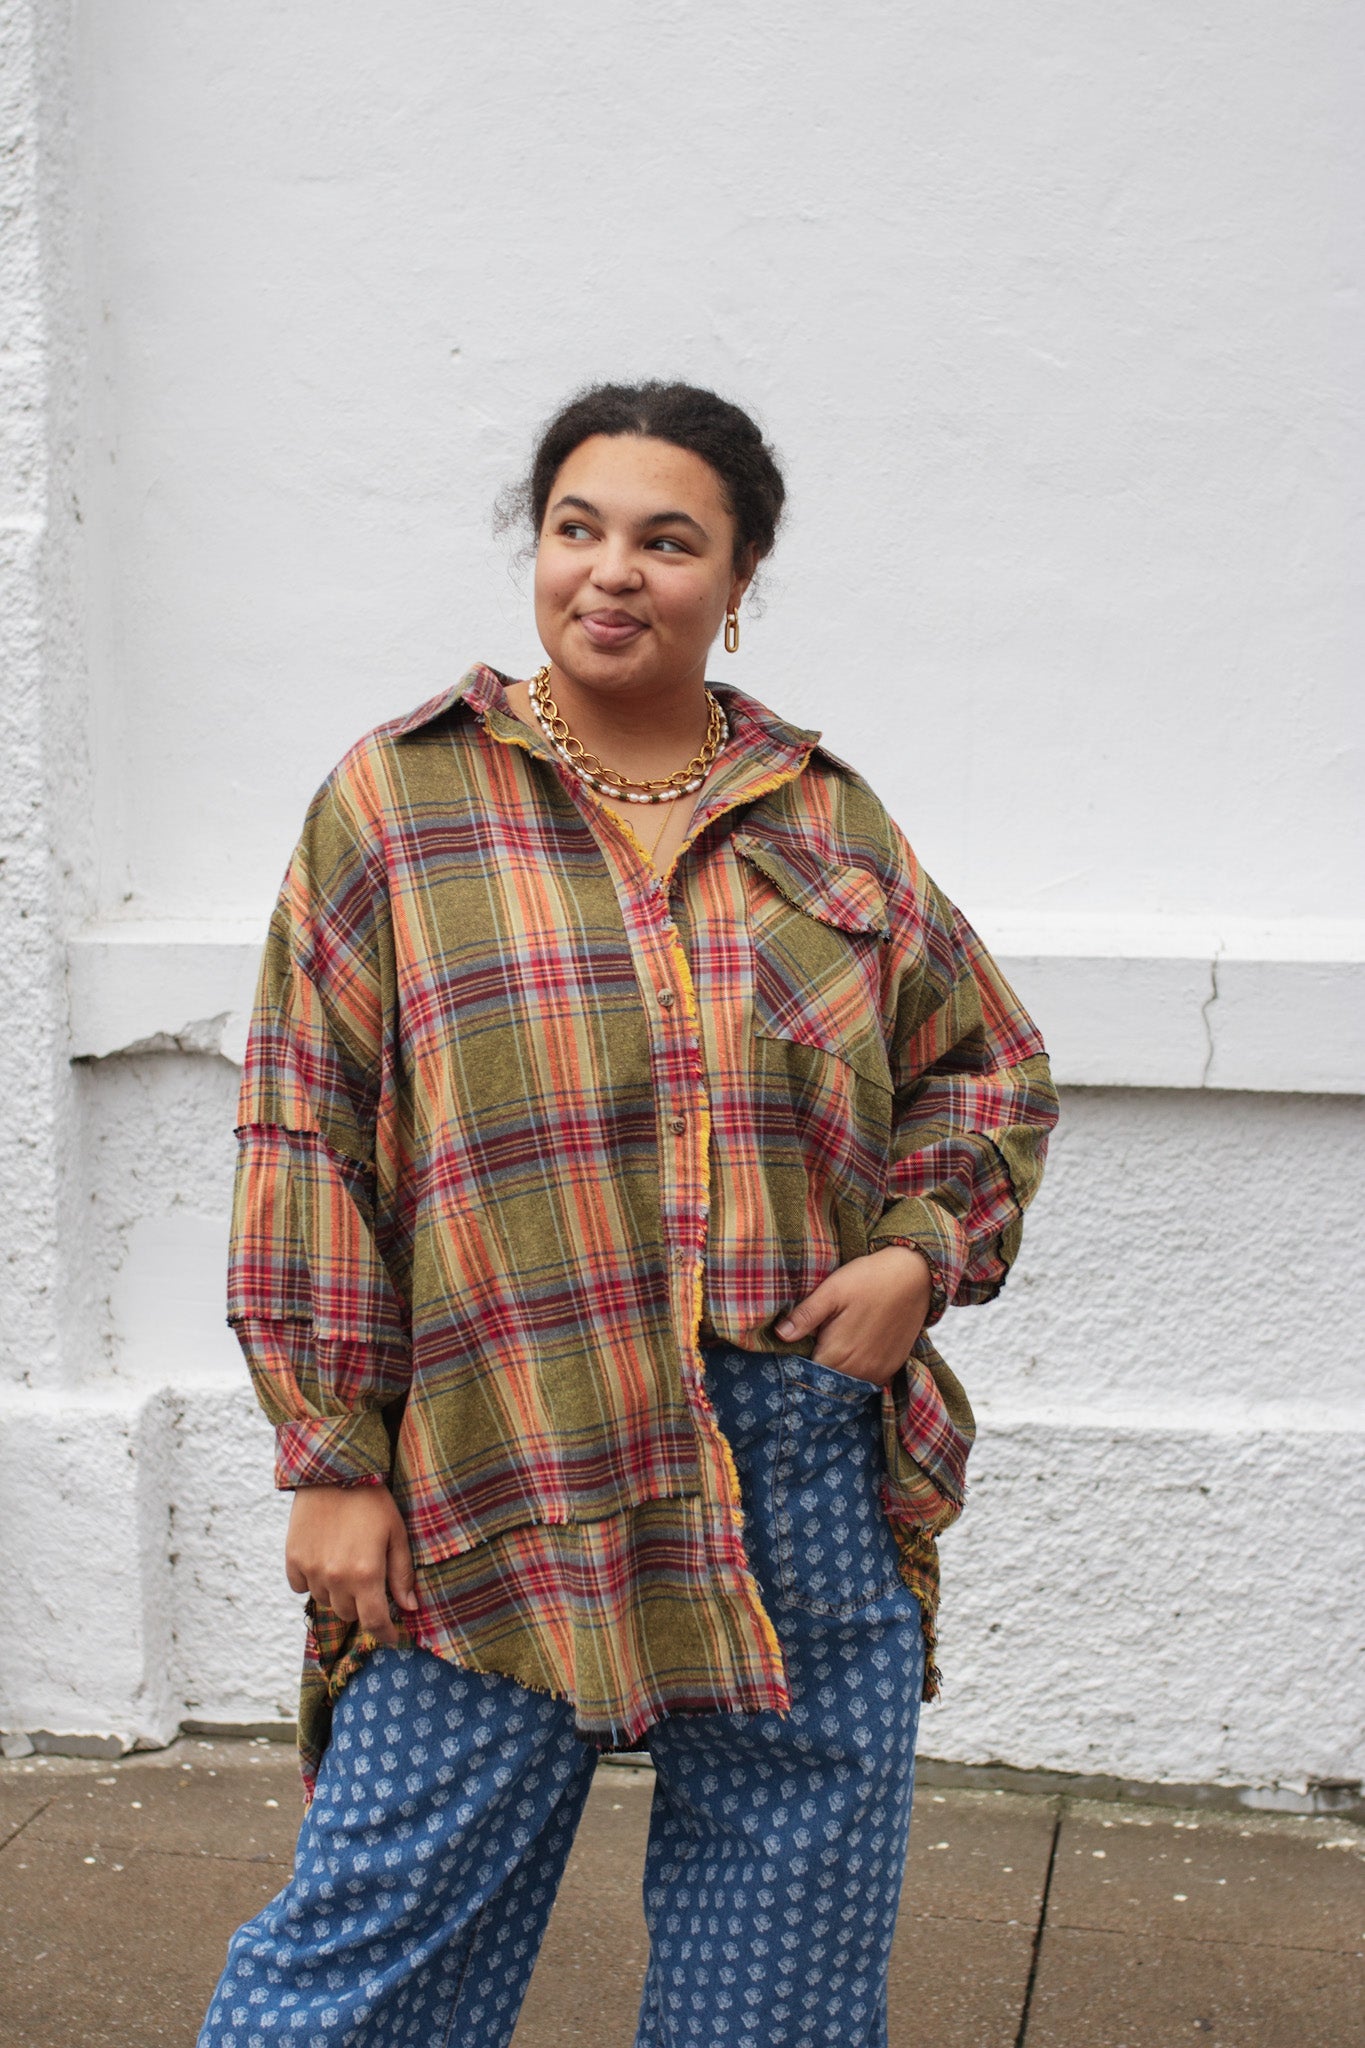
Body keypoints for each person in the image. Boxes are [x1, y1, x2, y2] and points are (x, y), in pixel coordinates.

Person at [198, 380, 1058, 2048]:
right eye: (576, 530)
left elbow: (986, 1067)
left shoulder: (825, 819)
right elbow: (304, 1132)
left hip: (795, 1451)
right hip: (503, 1441)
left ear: (737, 581)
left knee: (783, 1967)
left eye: (668, 542)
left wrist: (914, 1250)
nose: (611, 573)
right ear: (536, 551)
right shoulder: (399, 805)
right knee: (372, 1936)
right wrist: (329, 1457)